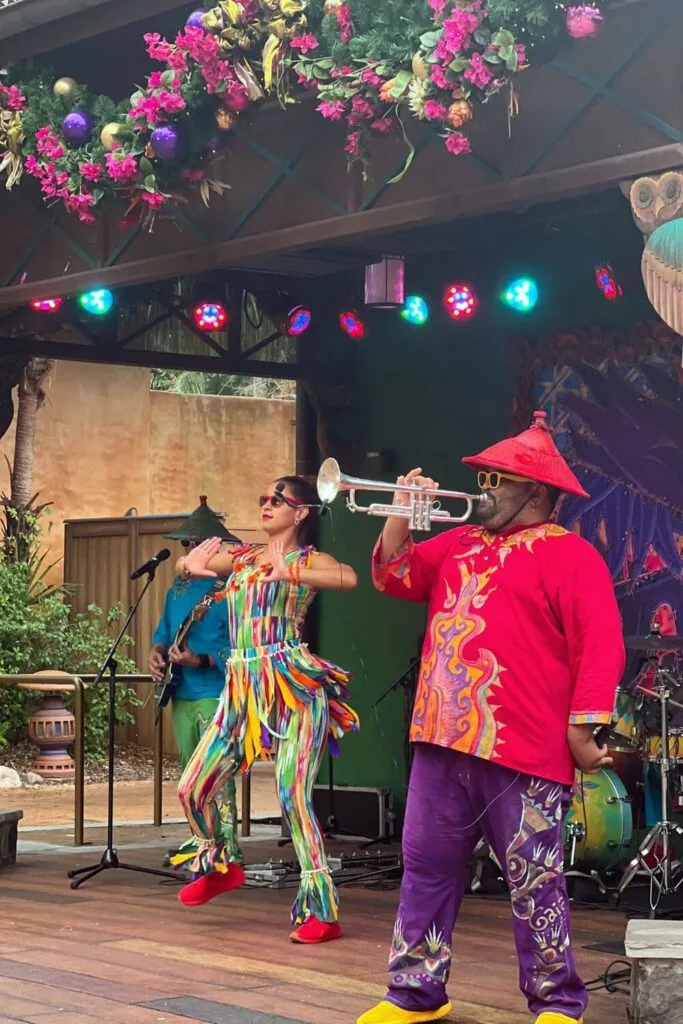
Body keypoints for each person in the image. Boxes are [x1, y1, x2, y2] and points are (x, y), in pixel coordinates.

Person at [359, 412, 625, 1024]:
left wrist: (582, 731)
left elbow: (600, 646)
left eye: (495, 481)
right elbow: (394, 575)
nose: (482, 492)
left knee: (535, 883)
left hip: (524, 748)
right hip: (441, 739)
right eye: (481, 480)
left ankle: (557, 1002)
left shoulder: (572, 556)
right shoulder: (459, 542)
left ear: (536, 491)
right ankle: (416, 992)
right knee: (426, 867)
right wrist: (402, 508)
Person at [171, 475, 360, 944]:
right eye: (263, 498)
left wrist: (291, 574)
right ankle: (221, 861)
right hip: (241, 689)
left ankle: (322, 910)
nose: (267, 504)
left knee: (292, 795)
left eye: (279, 499)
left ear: (301, 513)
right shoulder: (244, 556)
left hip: (292, 684)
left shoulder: (308, 560)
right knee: (192, 788)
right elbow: (186, 562)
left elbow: (348, 578)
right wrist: (188, 565)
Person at [149, 495, 243, 866]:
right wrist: (157, 653)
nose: (187, 551)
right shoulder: (177, 589)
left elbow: (237, 647)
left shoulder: (231, 590)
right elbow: (164, 631)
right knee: (189, 771)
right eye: (185, 544)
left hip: (214, 692)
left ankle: (228, 846)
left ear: (216, 545)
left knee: (217, 771)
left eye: (194, 543)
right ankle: (201, 840)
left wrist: (199, 659)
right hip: (181, 691)